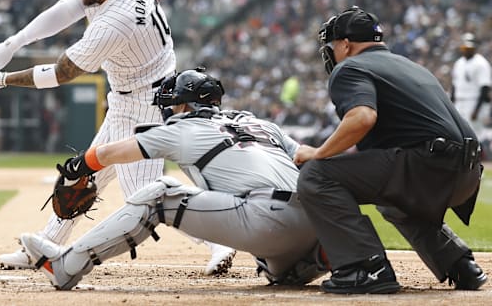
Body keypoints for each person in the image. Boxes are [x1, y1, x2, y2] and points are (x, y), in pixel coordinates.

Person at [0, 0, 236, 274]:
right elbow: (67, 10)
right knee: (85, 174)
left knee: (147, 197)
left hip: (143, 104)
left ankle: (219, 240)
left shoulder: (115, 23)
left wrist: (2, 80)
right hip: (135, 94)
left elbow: (60, 73)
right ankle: (45, 245)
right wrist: (14, 42)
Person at [17, 68, 328, 290]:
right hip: (315, 230)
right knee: (274, 265)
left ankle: (65, 267)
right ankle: (339, 260)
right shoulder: (260, 124)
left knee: (160, 195)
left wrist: (77, 166)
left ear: (183, 104)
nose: (166, 110)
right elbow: (307, 158)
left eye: (169, 104)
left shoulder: (183, 128)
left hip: (267, 224)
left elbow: (114, 153)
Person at [293, 6, 487, 294]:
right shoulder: (409, 65)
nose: (332, 52)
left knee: (316, 175)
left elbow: (362, 117)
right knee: (392, 197)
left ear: (346, 44)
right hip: (467, 173)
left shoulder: (350, 67)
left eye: (333, 45)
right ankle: (460, 265)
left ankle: (366, 268)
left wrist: (319, 153)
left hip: (429, 167)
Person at [451, 32, 491, 153]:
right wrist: (451, 105)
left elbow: (485, 88)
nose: (467, 50)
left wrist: (477, 109)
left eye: (469, 48)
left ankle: (477, 164)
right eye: (465, 48)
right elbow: (454, 86)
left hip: (473, 102)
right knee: (460, 134)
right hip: (459, 102)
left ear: (475, 48)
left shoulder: (481, 63)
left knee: (474, 136)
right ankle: (465, 165)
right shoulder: (458, 63)